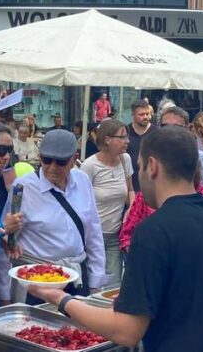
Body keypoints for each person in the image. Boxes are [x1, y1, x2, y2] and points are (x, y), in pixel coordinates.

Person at [28, 126, 203, 352]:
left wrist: (60, 298)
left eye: (139, 167)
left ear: (152, 166)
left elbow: (126, 331)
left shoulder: (154, 231)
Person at [0, 129, 106, 304]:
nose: (53, 168)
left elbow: (93, 232)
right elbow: (9, 243)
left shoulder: (83, 181)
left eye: (61, 162)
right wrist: (4, 292)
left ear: (74, 159)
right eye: (47, 160)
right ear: (40, 157)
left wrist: (96, 281)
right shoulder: (22, 188)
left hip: (76, 277)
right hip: (37, 282)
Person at [80, 119, 134, 287]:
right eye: (122, 137)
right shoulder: (90, 166)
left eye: (127, 137)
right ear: (107, 139)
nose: (127, 141)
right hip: (91, 236)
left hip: (115, 235)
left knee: (113, 286)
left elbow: (130, 190)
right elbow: (80, 201)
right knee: (91, 285)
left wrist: (131, 209)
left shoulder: (125, 160)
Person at [159, 106, 203, 191]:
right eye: (165, 126)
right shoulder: (152, 156)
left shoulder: (200, 158)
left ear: (186, 129)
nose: (170, 131)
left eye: (176, 127)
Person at [126, 100, 153, 192]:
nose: (145, 117)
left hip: (150, 182)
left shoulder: (157, 133)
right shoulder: (126, 132)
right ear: (133, 115)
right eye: (141, 114)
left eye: (147, 114)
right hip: (130, 183)